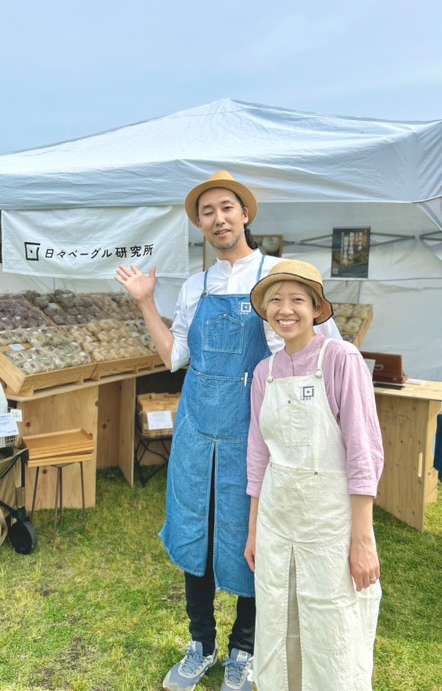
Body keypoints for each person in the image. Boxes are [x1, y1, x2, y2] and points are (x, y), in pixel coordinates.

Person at [115, 171, 341, 691]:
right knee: (195, 529)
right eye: (207, 212)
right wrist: (146, 301)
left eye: (227, 208)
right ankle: (201, 643)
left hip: (255, 429)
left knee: (250, 536)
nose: (218, 219)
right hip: (198, 428)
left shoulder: (277, 277)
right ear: (200, 224)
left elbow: (325, 343)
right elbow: (175, 356)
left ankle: (243, 648)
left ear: (246, 215)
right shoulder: (196, 287)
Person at [244, 259, 384, 690]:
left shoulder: (340, 358)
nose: (285, 310)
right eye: (275, 301)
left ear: (317, 308)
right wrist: (253, 530)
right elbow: (258, 456)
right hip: (277, 521)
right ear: (266, 311)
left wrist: (362, 539)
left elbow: (364, 451)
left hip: (329, 525)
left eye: (297, 300)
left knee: (332, 624)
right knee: (277, 619)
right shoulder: (266, 372)